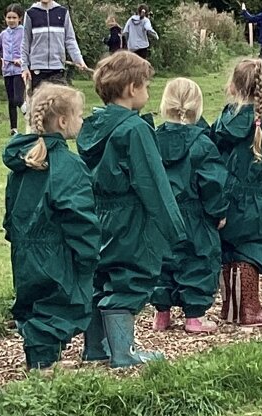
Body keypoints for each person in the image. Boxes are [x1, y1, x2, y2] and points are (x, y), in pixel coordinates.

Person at [77, 51, 185, 366]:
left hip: (101, 213)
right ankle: (124, 353)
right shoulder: (134, 130)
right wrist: (173, 228)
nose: (148, 93)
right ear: (132, 88)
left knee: (104, 273)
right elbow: (152, 181)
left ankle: (96, 348)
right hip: (131, 214)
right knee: (130, 274)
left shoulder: (92, 128)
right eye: (146, 86)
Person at [2, 83, 99, 370]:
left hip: (24, 248)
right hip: (56, 249)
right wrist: (88, 252)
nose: (82, 121)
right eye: (79, 116)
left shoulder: (22, 163)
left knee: (33, 302)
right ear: (63, 121)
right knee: (57, 304)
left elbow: (11, 207)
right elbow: (78, 214)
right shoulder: (67, 165)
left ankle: (42, 361)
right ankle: (43, 366)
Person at [212, 58, 262, 327]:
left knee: (231, 248)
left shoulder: (224, 119)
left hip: (227, 196)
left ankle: (230, 308)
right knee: (253, 247)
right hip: (256, 199)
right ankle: (249, 308)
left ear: (233, 86)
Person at [151, 78, 229, 332]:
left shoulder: (153, 139)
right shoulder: (202, 144)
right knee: (198, 259)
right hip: (195, 212)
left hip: (163, 212)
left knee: (163, 260)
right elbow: (212, 183)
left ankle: (161, 313)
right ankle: (194, 315)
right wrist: (219, 212)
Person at [23, 0, 89, 88]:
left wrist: (79, 60)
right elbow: (25, 43)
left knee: (58, 100)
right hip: (37, 69)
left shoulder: (63, 12)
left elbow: (70, 40)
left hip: (57, 68)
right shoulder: (30, 13)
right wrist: (24, 67)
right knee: (40, 101)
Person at [0, 4, 29, 134]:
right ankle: (13, 129)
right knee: (11, 101)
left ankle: (28, 112)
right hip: (7, 70)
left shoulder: (24, 32)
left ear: (20, 18)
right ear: (5, 18)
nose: (11, 20)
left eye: (14, 17)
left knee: (18, 98)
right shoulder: (3, 34)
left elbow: (30, 49)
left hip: (20, 71)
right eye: (9, 17)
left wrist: (22, 61)